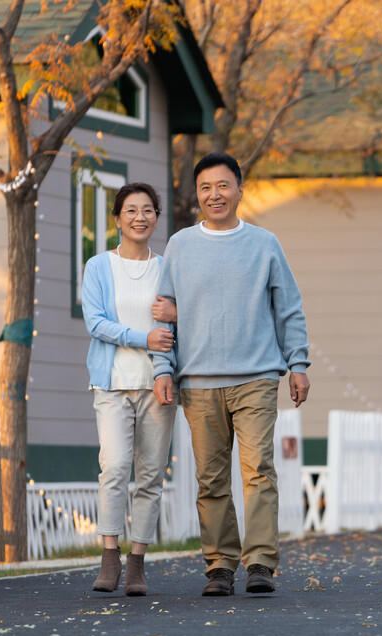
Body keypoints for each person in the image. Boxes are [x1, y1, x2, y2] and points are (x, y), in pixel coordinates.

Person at [151, 152, 310, 597]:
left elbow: (289, 308)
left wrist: (298, 363)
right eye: (205, 188)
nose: (214, 195)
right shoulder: (181, 245)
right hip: (198, 381)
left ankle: (260, 561)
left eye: (222, 186)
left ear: (239, 190)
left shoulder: (264, 244)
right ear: (197, 194)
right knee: (211, 478)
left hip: (256, 375)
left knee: (258, 470)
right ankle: (219, 564)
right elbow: (163, 314)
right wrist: (163, 368)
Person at [82, 182, 176, 597]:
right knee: (116, 467)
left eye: (148, 210)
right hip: (112, 384)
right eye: (131, 210)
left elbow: (174, 327)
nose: (140, 217)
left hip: (158, 385)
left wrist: (171, 324)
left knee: (152, 475)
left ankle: (137, 561)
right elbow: (96, 323)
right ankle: (109, 555)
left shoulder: (166, 268)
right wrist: (143, 337)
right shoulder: (99, 266)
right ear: (117, 218)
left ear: (157, 217)